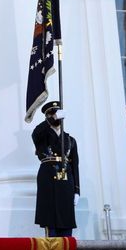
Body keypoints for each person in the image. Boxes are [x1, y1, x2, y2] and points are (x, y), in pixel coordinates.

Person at [31, 101, 80, 237]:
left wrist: (77, 190)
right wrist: (52, 119)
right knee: (50, 220)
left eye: (57, 113)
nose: (56, 116)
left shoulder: (70, 140)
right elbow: (35, 133)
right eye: (52, 114)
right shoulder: (41, 136)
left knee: (66, 220)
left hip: (65, 181)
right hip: (48, 178)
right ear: (47, 117)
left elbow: (75, 165)